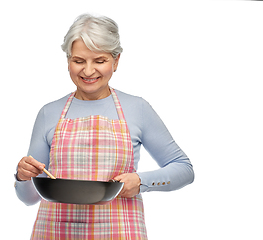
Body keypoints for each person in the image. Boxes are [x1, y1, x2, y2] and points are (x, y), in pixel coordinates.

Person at [14, 13, 194, 239]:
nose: (88, 71)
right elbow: (29, 198)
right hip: (55, 231)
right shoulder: (48, 113)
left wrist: (141, 182)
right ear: (67, 59)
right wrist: (22, 177)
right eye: (78, 61)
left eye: (99, 61)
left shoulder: (137, 108)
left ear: (116, 61)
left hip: (119, 231)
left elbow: (184, 169)